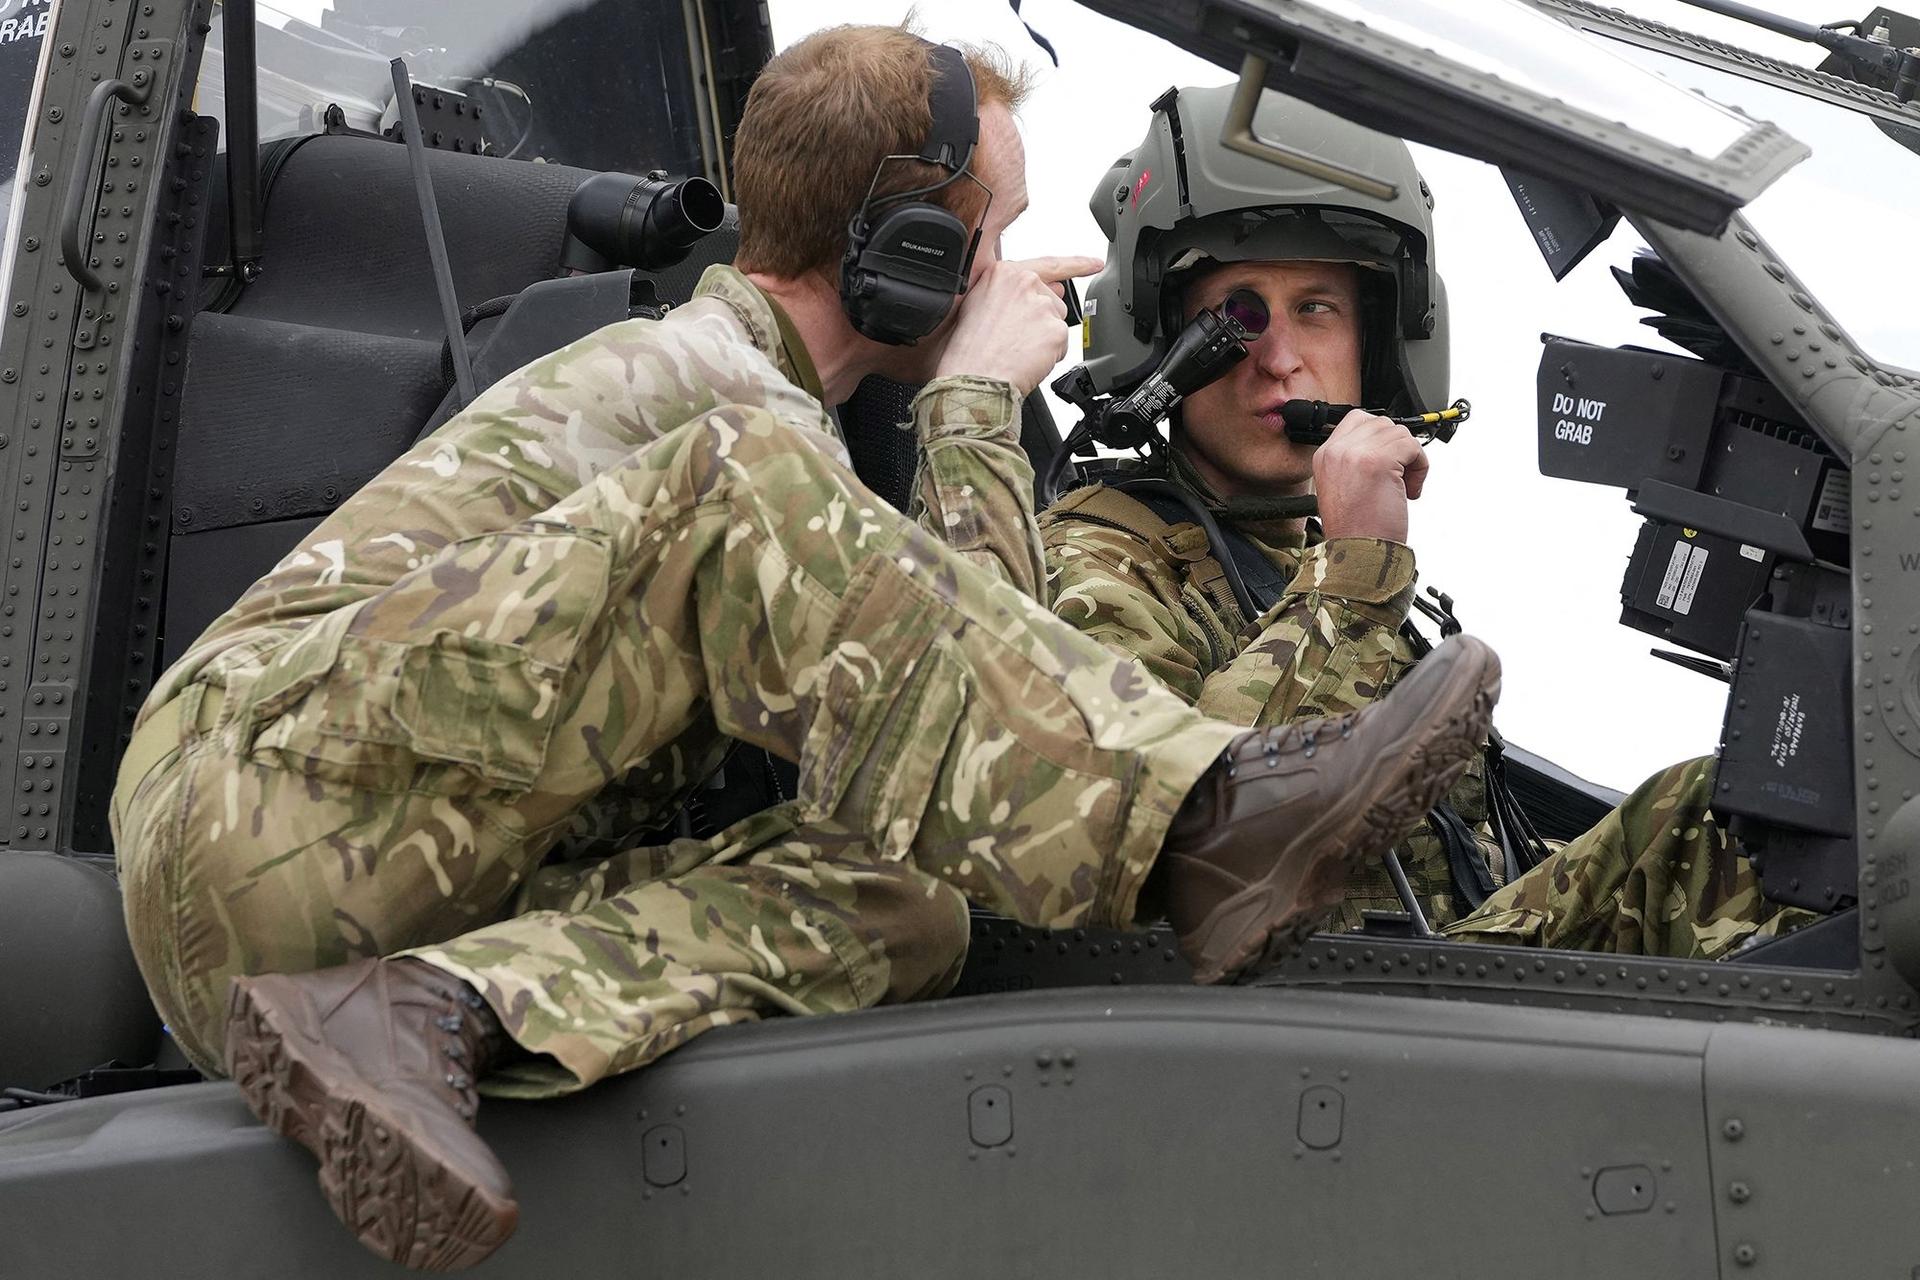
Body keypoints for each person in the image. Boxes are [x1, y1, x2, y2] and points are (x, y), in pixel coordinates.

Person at [110, 31, 1499, 1271]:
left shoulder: (781, 435)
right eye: (991, 239)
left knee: (918, 899)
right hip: (250, 792)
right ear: (908, 258)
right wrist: (966, 403)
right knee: (752, 482)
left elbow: (957, 770)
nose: (1013, 280)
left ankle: (430, 1014)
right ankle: (1204, 826)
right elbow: (983, 672)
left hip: (363, 906)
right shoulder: (708, 386)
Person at [1043, 82, 1811, 953]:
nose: (1281, 360)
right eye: (1237, 317)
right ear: (1158, 341)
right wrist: (1358, 568)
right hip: (1293, 1021)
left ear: (1376, 341)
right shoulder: (1094, 562)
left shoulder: (1307, 564)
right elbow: (1185, 846)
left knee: (1750, 817)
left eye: (1316, 309)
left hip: (1413, 984)